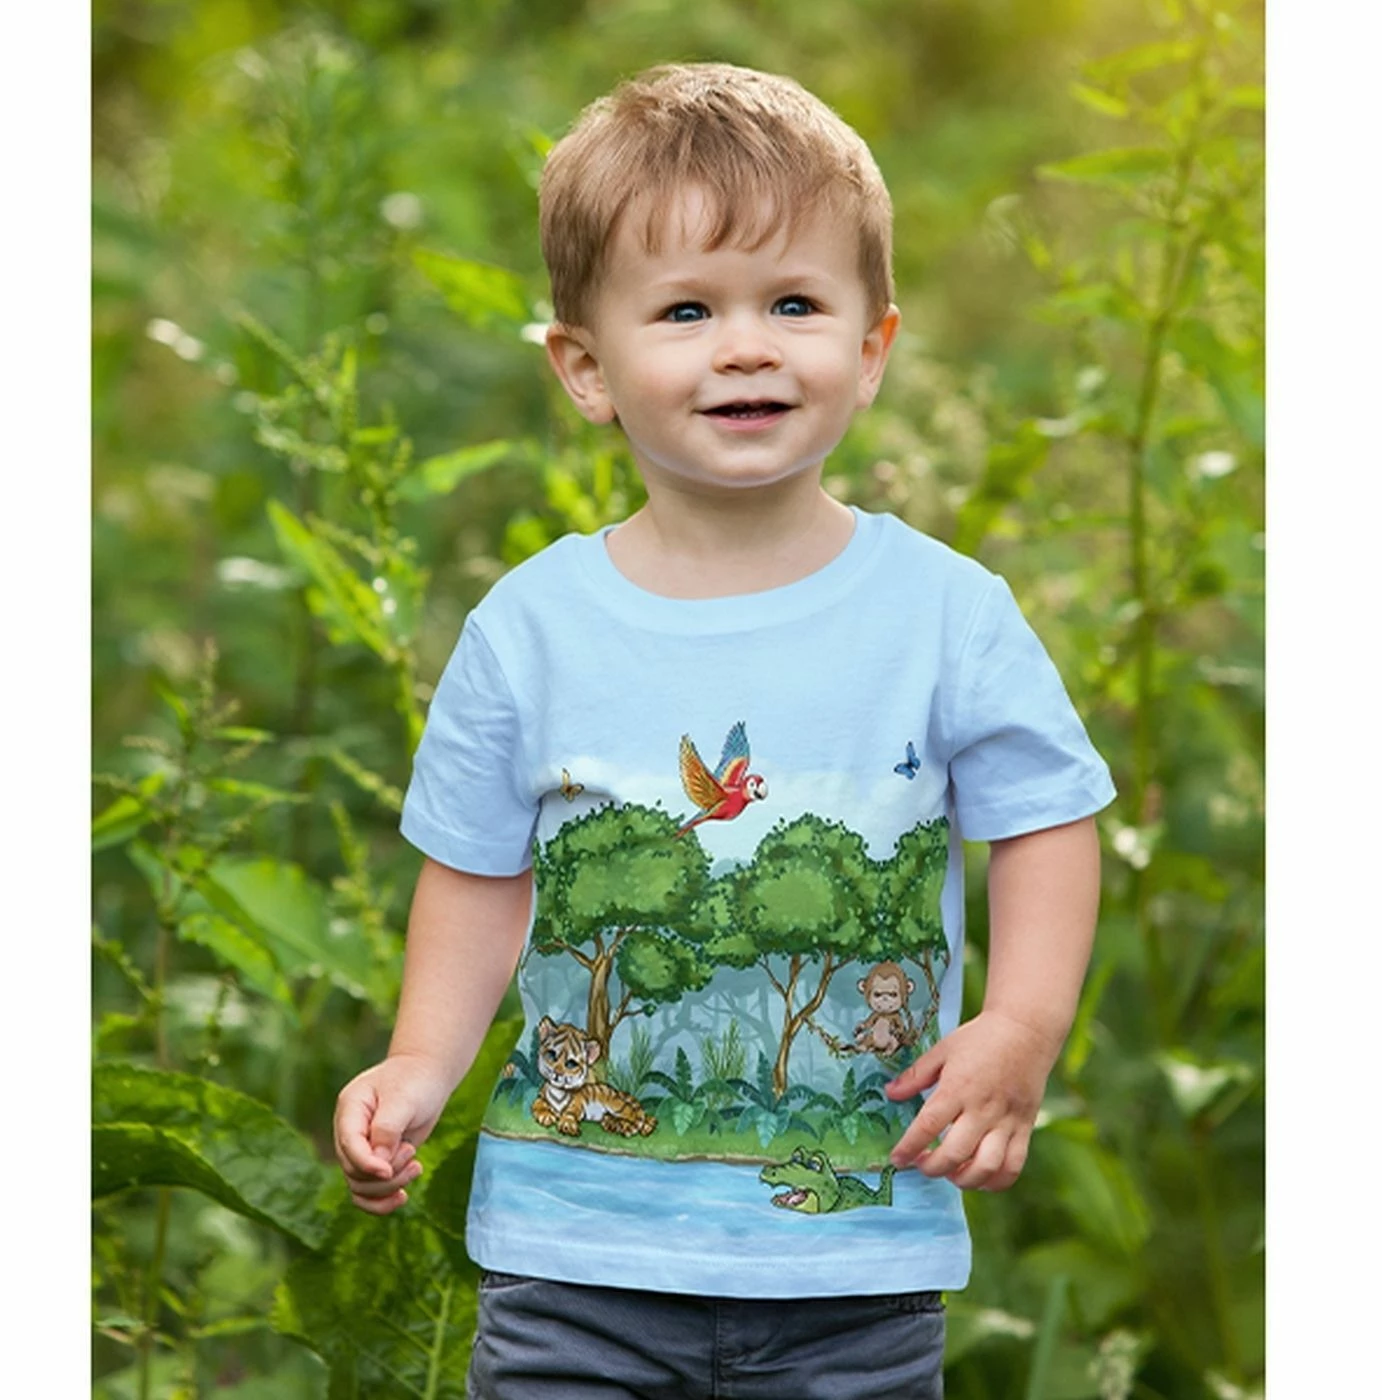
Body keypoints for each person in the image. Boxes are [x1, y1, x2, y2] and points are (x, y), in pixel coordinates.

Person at [334, 61, 1114, 1400]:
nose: (747, 345)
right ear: (587, 367)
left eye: (794, 304)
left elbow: (1045, 818)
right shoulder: (533, 628)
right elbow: (476, 869)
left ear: (871, 350)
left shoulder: (943, 614)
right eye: (688, 309)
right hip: (575, 1265)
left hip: (852, 1267)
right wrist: (421, 1059)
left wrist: (1025, 1023)